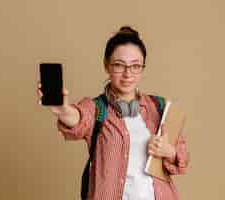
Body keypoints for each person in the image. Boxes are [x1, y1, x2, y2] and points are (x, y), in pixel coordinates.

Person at [36, 26, 190, 200]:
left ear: (143, 68)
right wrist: (63, 110)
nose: (127, 74)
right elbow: (78, 118)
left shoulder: (159, 107)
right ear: (106, 65)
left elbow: (182, 157)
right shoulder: (97, 109)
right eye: (119, 65)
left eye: (135, 66)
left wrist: (169, 151)